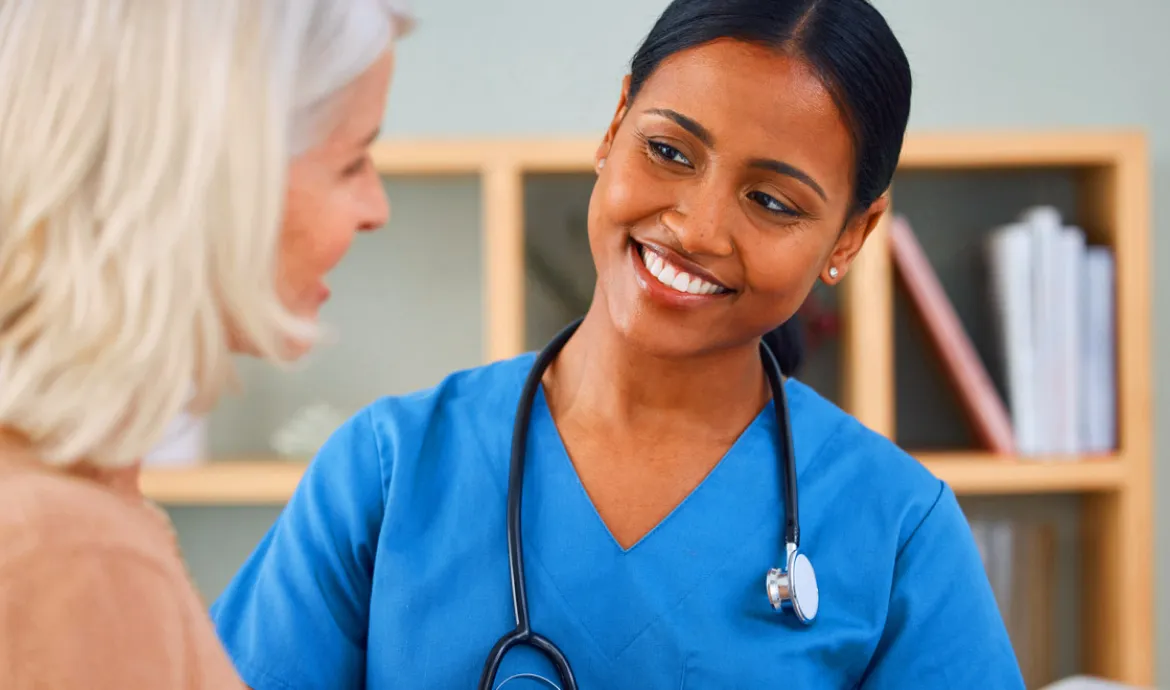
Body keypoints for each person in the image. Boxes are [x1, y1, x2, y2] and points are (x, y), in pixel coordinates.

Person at [210, 0, 1025, 687]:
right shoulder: (390, 474)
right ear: (615, 124)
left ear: (852, 235)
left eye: (772, 202)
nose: (697, 229)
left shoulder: (897, 532)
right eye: (668, 151)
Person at [0, 1, 412, 688]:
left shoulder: (89, 506)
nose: (376, 209)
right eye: (350, 163)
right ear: (204, 182)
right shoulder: (64, 551)